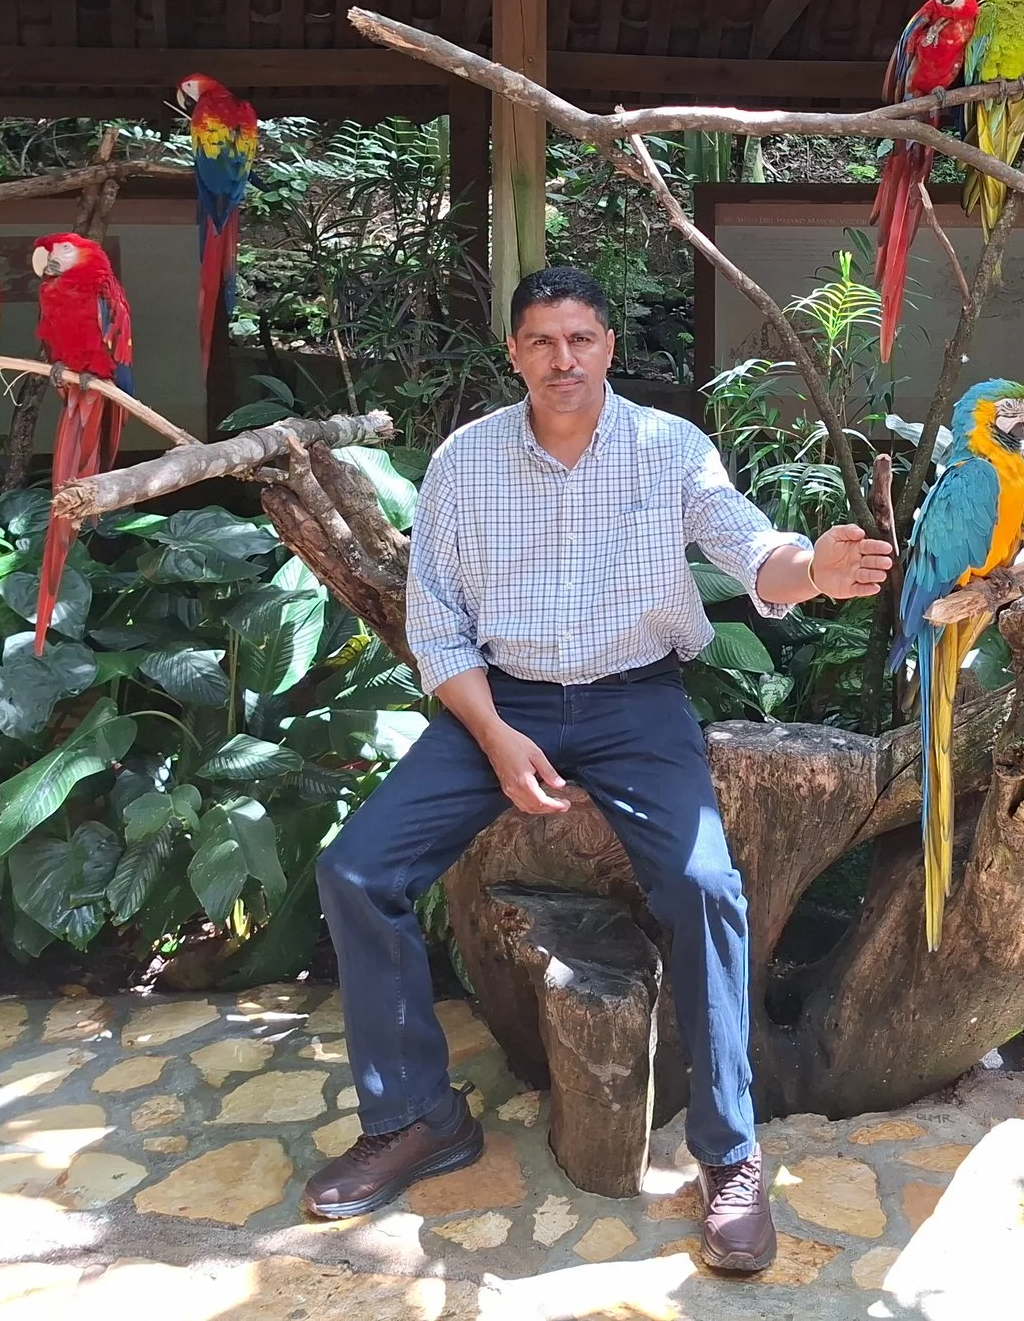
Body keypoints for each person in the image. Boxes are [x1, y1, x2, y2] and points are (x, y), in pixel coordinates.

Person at [306, 264, 894, 1273]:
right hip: (503, 700)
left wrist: (812, 572)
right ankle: (416, 1118)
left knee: (705, 886)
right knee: (356, 870)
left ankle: (730, 1155)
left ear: (608, 347)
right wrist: (495, 736)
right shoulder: (463, 462)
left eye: (579, 339)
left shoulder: (668, 448)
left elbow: (750, 546)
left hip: (635, 707)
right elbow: (435, 620)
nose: (562, 360)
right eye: (541, 342)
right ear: (516, 354)